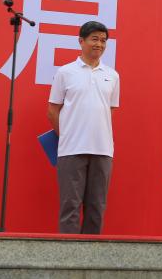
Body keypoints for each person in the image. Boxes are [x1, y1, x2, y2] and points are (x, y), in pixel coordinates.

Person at [46, 21, 120, 234]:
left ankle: (91, 253)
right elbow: (53, 110)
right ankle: (69, 253)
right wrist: (67, 135)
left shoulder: (112, 75)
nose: (99, 44)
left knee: (97, 207)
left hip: (103, 149)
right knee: (70, 205)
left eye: (103, 40)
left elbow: (110, 110)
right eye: (94, 39)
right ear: (81, 41)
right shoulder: (65, 72)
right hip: (72, 149)